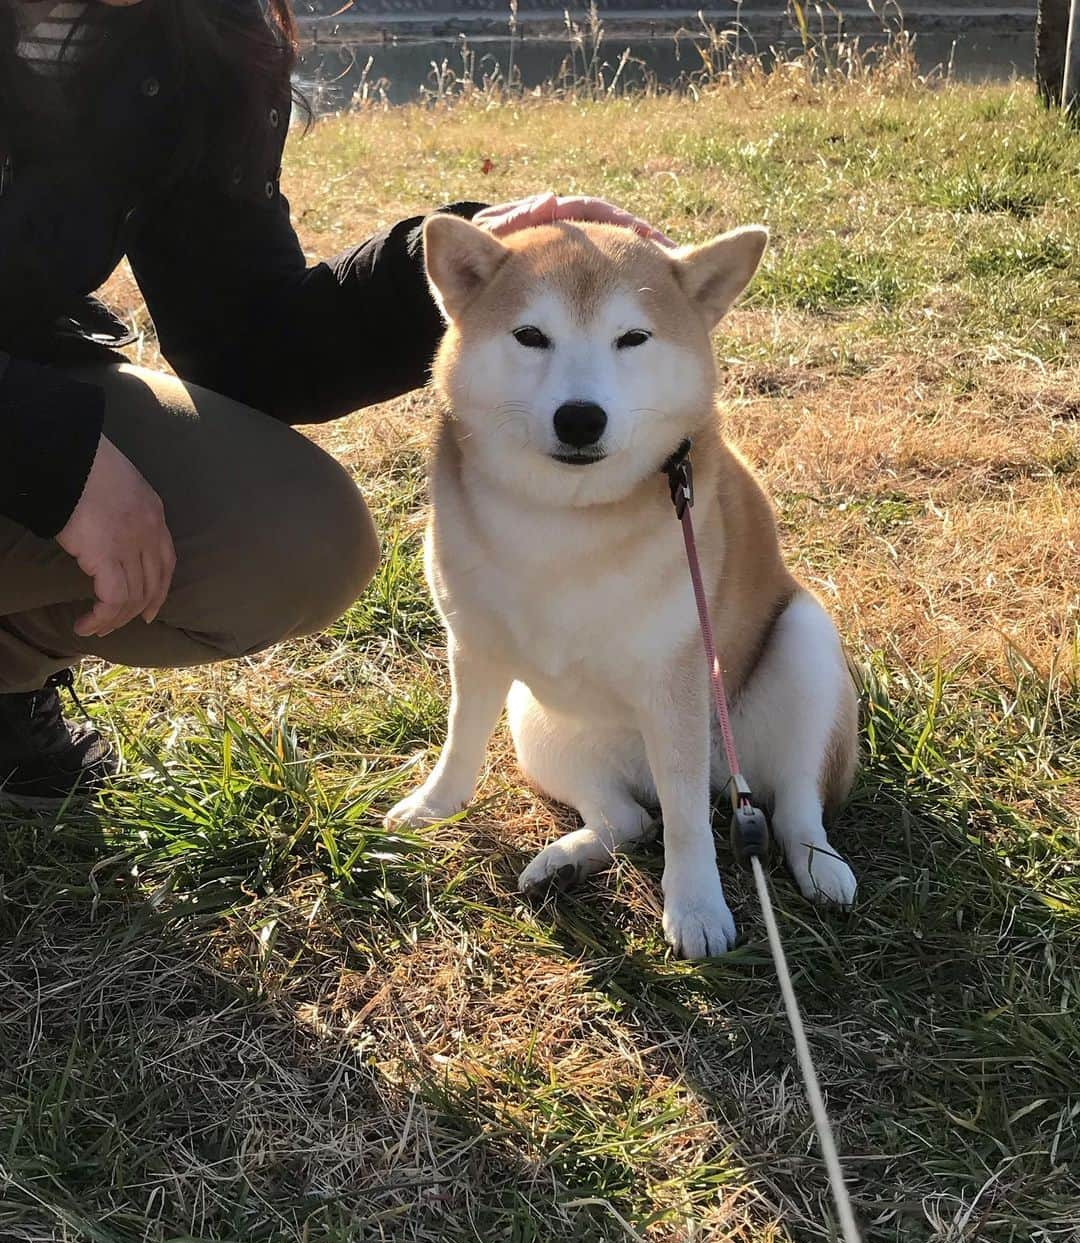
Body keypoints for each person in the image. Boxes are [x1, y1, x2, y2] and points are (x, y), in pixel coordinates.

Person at [0, 0, 663, 803]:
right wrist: (51, 455)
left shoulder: (189, 33)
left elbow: (247, 341)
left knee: (296, 538)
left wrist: (469, 269)